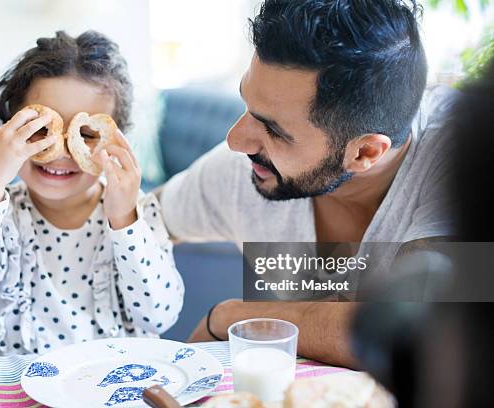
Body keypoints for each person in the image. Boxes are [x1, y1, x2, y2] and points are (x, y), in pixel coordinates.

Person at [159, 0, 456, 367]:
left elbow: (416, 332)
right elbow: (140, 220)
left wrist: (230, 318)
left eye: (273, 130)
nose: (236, 140)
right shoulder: (243, 169)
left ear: (365, 152)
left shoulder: (460, 157)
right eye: (247, 105)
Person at [0, 30, 183, 356]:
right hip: (17, 391)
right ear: (7, 128)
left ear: (115, 140)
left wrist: (124, 220)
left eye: (86, 134)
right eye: (40, 130)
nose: (61, 151)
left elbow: (160, 317)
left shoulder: (139, 213)